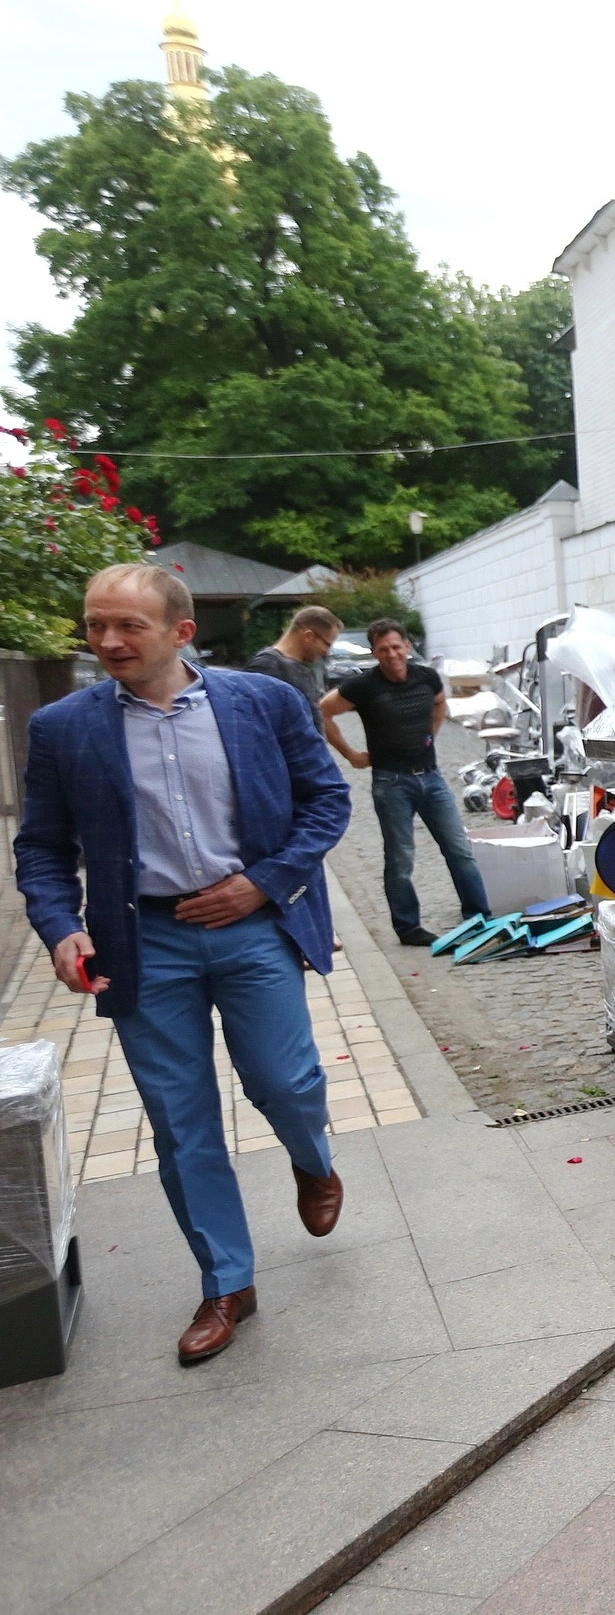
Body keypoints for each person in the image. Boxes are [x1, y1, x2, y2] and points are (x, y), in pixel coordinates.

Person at [15, 563, 352, 1364]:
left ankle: (313, 1160)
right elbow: (40, 848)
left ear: (180, 631)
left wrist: (261, 883)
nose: (107, 641)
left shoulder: (263, 702)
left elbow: (326, 801)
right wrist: (62, 927)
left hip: (252, 923)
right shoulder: (64, 727)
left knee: (286, 1080)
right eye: (96, 624)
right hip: (144, 942)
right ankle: (227, 1279)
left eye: (128, 625)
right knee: (180, 1118)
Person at [319, 617, 491, 946]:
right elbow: (323, 711)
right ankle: (408, 928)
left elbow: (440, 703)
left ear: (407, 647)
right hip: (391, 783)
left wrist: (430, 736)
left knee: (459, 850)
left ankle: (479, 915)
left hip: (432, 778)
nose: (392, 654)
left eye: (397, 647)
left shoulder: (426, 677)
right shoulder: (363, 686)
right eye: (383, 649)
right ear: (374, 652)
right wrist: (351, 754)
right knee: (400, 858)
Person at [246, 604, 342, 714]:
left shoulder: (302, 668)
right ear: (308, 636)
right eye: (327, 644)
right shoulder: (267, 665)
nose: (327, 652)